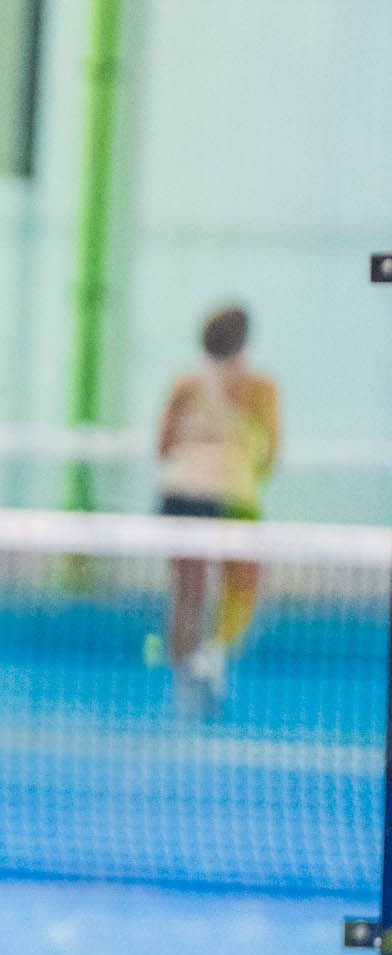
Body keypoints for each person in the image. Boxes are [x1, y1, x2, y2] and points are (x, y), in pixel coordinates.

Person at [156, 302, 278, 713]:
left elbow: (163, 447)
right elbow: (269, 456)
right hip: (233, 497)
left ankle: (184, 684)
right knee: (241, 587)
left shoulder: (185, 385)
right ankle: (215, 660)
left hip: (180, 495)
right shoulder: (261, 389)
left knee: (186, 593)